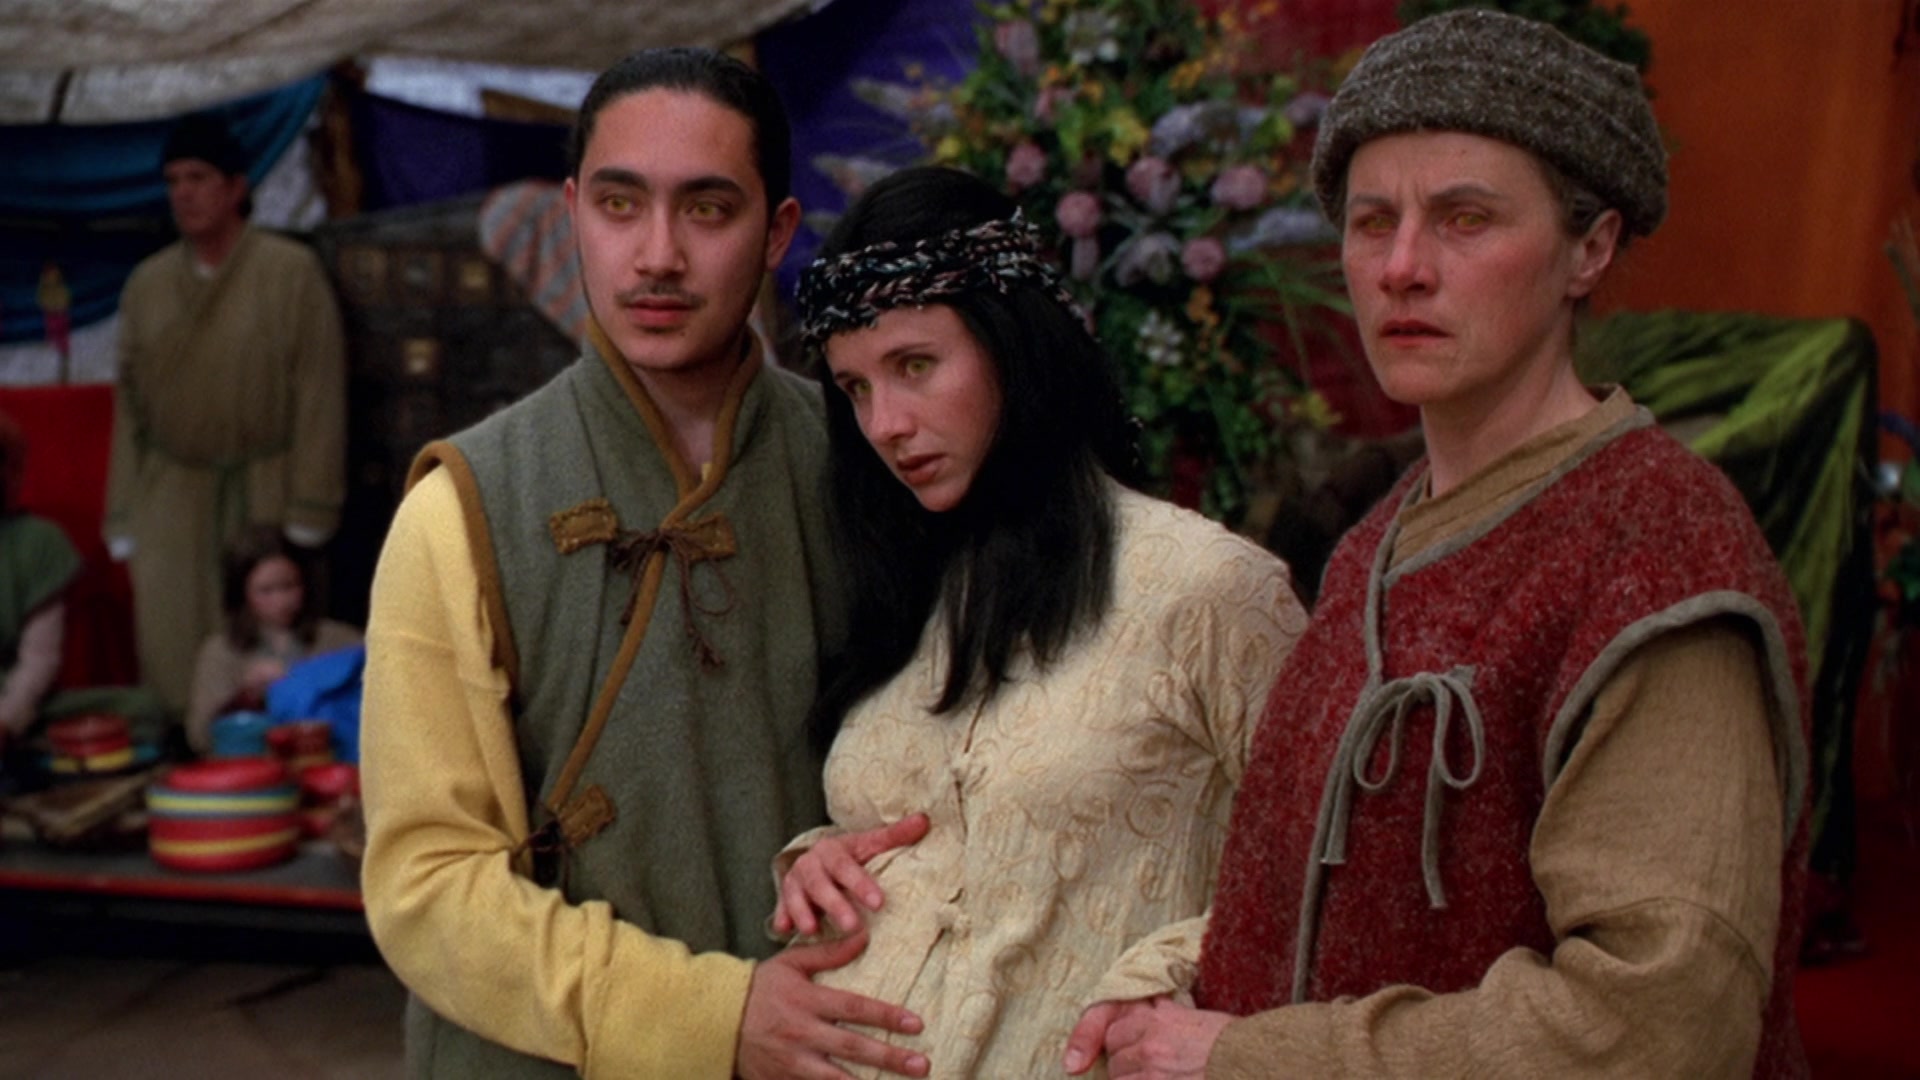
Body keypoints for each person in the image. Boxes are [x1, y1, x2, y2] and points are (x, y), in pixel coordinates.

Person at [1067, 11, 1812, 1079]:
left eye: (1465, 219)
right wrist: (1177, 994)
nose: (1403, 267)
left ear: (1590, 248)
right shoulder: (1375, 541)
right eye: (1373, 222)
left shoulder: (1655, 562)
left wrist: (1253, 1059)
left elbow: (1658, 1029)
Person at [358, 48, 927, 1079]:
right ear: (573, 212)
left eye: (707, 210)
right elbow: (426, 888)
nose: (657, 256)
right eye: (620, 205)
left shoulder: (866, 467)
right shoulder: (464, 508)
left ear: (777, 233)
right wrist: (712, 1016)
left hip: (831, 1041)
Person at [774, 165, 1307, 1078]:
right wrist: (818, 863)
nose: (886, 424)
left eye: (915, 366)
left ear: (1011, 345)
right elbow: (949, 844)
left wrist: (1168, 970)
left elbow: (1333, 878)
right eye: (855, 388)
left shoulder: (1208, 588)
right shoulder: (908, 588)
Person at [105, 111, 347, 715]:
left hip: (264, 482)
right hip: (171, 491)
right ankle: (180, 743)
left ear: (236, 186)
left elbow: (318, 391)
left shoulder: (289, 273)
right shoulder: (147, 285)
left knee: (267, 635)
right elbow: (129, 409)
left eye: (198, 177)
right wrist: (124, 512)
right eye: (173, 180)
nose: (183, 193)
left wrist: (310, 506)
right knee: (171, 635)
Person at [0, 411, 168, 775]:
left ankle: (36, 754)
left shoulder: (37, 542)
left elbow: (39, 659)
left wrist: (6, 721)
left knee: (145, 711)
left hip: (19, 702)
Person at [185, 526, 360, 755]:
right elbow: (200, 738)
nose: (282, 601)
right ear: (242, 593)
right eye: (266, 591)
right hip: (255, 769)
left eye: (289, 586)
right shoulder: (221, 652)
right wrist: (246, 697)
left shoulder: (339, 639)